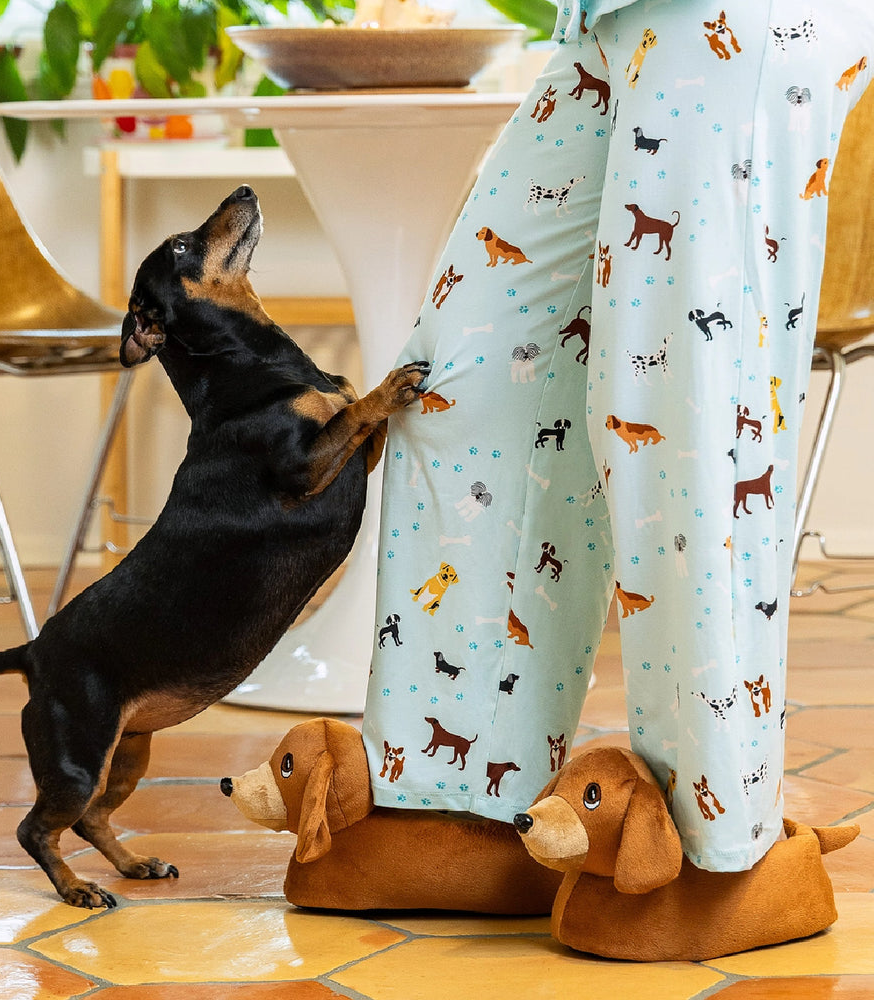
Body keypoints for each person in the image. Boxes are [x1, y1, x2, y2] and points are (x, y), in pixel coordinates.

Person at [362, 0, 872, 903]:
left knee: (681, 425)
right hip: (607, 24)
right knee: (465, 382)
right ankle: (476, 796)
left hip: (735, 24)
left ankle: (711, 849)